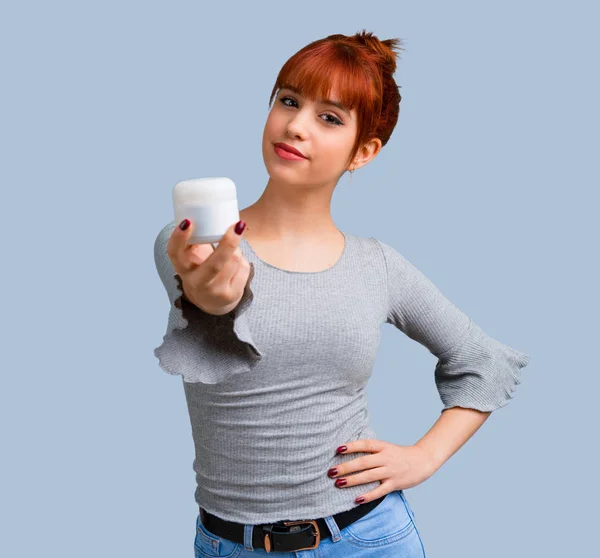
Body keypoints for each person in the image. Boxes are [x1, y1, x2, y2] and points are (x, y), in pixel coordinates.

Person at [153, 30, 530, 557]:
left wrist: (422, 458)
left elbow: (487, 363)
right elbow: (210, 302)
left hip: (368, 538)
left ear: (364, 151)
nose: (295, 126)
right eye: (288, 101)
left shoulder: (376, 267)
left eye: (329, 118)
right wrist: (208, 297)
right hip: (231, 544)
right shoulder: (193, 246)